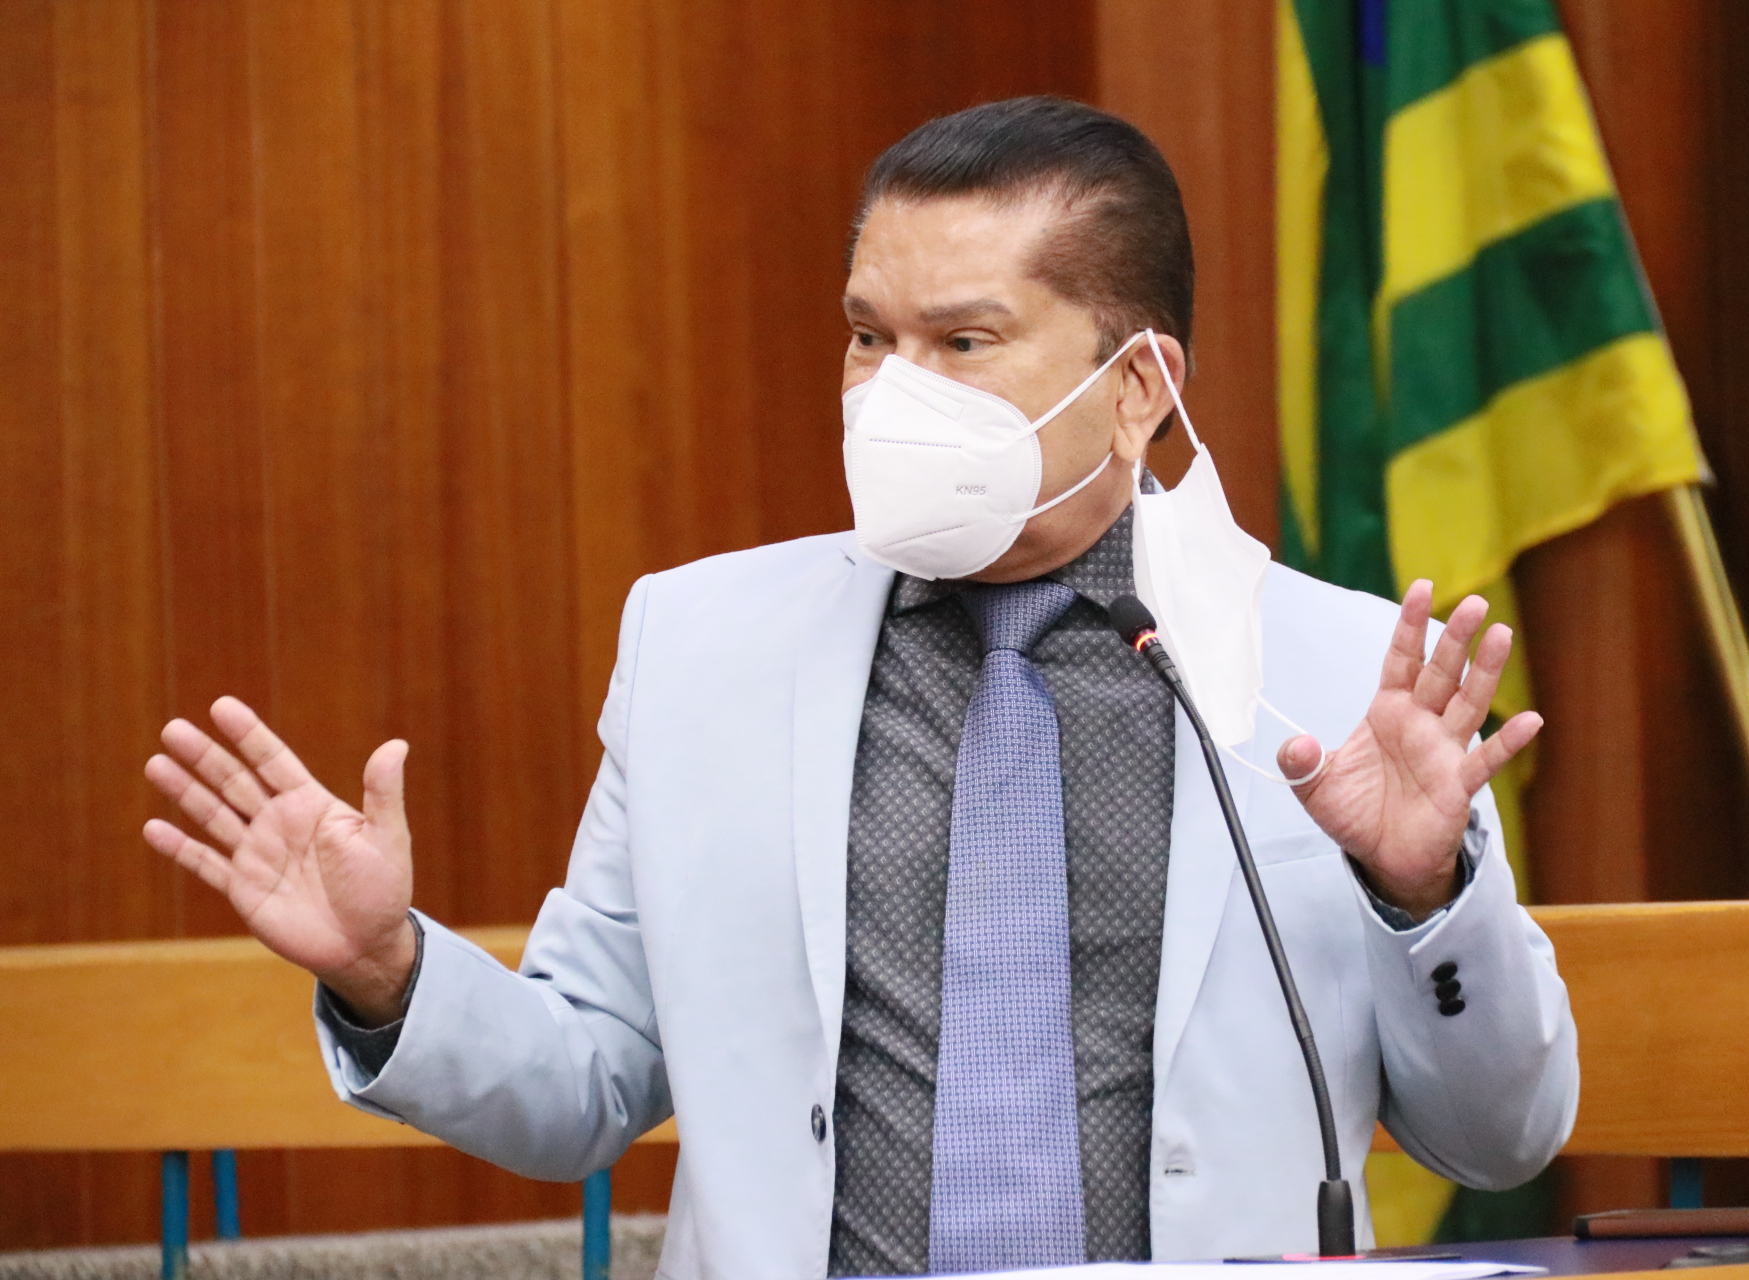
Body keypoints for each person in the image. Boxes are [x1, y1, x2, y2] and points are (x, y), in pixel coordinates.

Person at [142, 97, 1576, 1278]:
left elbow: (1501, 1138)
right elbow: (583, 1086)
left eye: (962, 344)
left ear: (1138, 387)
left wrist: (1423, 893)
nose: (893, 393)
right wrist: (387, 972)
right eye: (868, 337)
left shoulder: (1337, 669)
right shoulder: (700, 646)